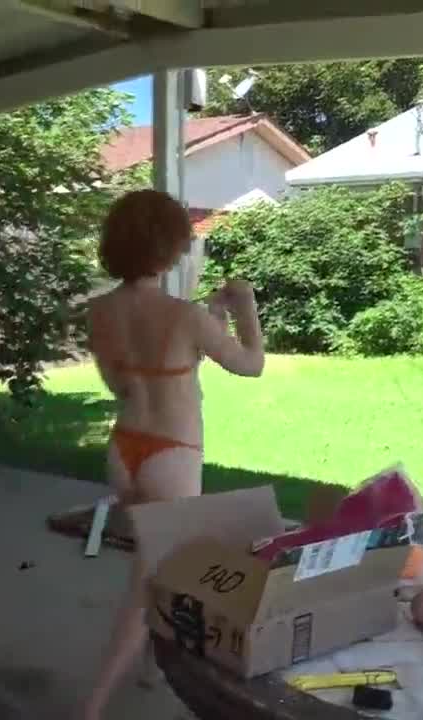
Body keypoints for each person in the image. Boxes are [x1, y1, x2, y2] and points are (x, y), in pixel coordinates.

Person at [79, 189, 265, 720]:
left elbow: (123, 383)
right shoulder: (185, 316)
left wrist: (209, 322)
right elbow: (251, 365)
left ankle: (150, 667)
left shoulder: (99, 310)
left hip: (124, 450)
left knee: (155, 566)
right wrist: (245, 307)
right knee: (148, 586)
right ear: (168, 248)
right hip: (173, 456)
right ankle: (89, 707)